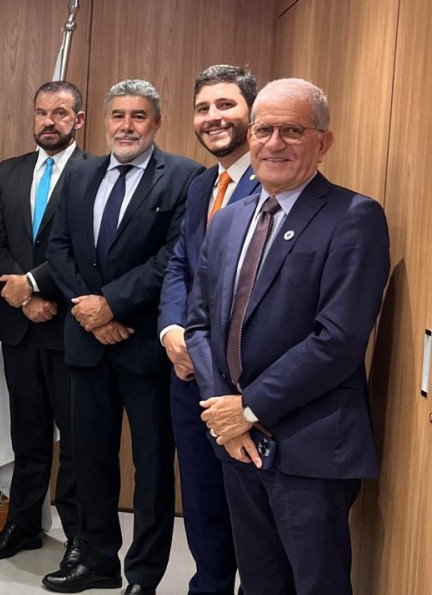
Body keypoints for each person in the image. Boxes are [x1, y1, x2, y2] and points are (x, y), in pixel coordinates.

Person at [186, 78, 390, 595]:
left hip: (309, 448)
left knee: (316, 585)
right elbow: (200, 324)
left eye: (292, 131)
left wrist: (248, 408)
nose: (274, 143)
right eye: (264, 130)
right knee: (259, 583)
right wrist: (224, 413)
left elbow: (338, 340)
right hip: (236, 444)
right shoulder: (228, 221)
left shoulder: (354, 217)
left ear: (324, 142)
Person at [44, 79, 203, 594]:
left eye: (138, 116)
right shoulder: (80, 174)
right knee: (89, 458)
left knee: (152, 466)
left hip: (145, 345)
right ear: (104, 120)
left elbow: (173, 257)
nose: (127, 126)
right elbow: (59, 248)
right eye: (118, 115)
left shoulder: (185, 177)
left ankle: (144, 575)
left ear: (156, 122)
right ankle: (97, 560)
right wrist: (92, 311)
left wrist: (111, 304)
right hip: (87, 341)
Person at [0, 80, 93, 566]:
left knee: (76, 442)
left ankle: (79, 537)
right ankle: (23, 525)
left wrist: (34, 285)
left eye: (61, 113)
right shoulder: (9, 170)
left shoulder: (96, 172)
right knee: (27, 435)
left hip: (69, 327)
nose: (49, 121)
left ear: (78, 120)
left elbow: (88, 247)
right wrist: (22, 295)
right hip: (21, 327)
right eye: (42, 112)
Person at [157, 65, 259, 595]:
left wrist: (200, 346)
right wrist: (171, 330)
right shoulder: (202, 185)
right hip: (187, 374)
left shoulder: (273, 182)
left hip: (241, 382)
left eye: (226, 105)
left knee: (250, 514)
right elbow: (181, 264)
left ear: (252, 112)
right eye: (203, 108)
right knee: (200, 502)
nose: (213, 117)